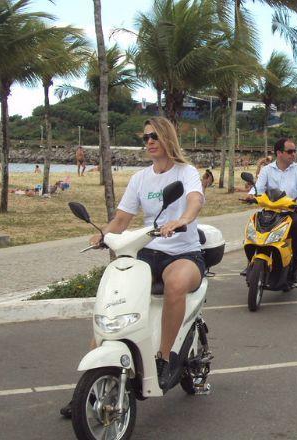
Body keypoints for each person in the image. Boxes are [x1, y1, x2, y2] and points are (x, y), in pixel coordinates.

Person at [60, 116, 205, 418]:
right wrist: (105, 234)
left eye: (154, 136)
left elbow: (194, 200)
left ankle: (164, 359)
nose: (149, 142)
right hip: (148, 251)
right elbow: (123, 218)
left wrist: (182, 219)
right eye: (145, 138)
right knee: (115, 294)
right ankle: (88, 387)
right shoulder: (141, 178)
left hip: (184, 253)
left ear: (167, 138)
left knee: (176, 284)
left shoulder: (186, 172)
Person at [243, 138, 297, 282]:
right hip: (270, 212)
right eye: (290, 151)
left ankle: (296, 267)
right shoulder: (267, 170)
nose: (293, 154)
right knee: (253, 224)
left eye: (295, 151)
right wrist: (250, 196)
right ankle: (251, 263)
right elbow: (259, 188)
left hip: (292, 212)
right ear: (279, 153)